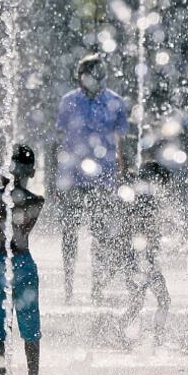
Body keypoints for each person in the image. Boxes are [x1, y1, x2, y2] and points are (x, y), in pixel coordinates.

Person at [54, 54, 129, 304]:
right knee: (70, 233)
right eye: (84, 73)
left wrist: (122, 177)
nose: (89, 78)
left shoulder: (115, 102)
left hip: (103, 178)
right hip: (73, 177)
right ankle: (69, 287)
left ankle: (97, 287)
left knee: (101, 235)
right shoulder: (69, 101)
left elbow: (121, 144)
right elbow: (61, 140)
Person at [0, 144, 45, 375]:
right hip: (22, 264)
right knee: (28, 325)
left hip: (0, 263)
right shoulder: (36, 201)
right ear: (32, 170)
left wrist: (8, 185)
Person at [117, 161, 171, 346]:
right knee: (162, 300)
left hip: (137, 261)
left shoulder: (138, 200)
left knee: (139, 302)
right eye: (162, 183)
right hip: (142, 262)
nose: (163, 188)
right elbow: (143, 235)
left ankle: (120, 329)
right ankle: (158, 339)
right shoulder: (147, 203)